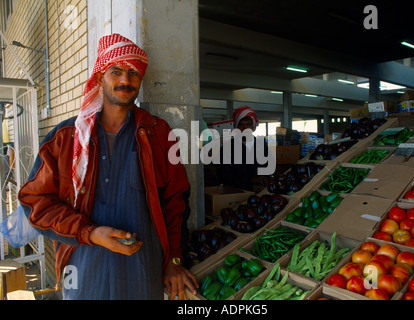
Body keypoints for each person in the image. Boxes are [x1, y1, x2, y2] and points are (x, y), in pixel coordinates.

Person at [18, 33, 198, 300]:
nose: (125, 80)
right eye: (116, 71)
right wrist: (88, 232)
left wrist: (173, 261)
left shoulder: (159, 133)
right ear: (100, 77)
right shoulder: (66, 137)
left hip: (143, 272)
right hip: (84, 272)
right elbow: (35, 201)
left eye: (133, 73)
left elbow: (176, 202)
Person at [216, 105, 271, 192]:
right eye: (241, 125)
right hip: (238, 193)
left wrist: (266, 178)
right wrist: (250, 180)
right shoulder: (227, 148)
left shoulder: (261, 145)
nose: (245, 128)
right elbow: (224, 175)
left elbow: (268, 166)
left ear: (254, 127)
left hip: (260, 192)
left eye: (248, 124)